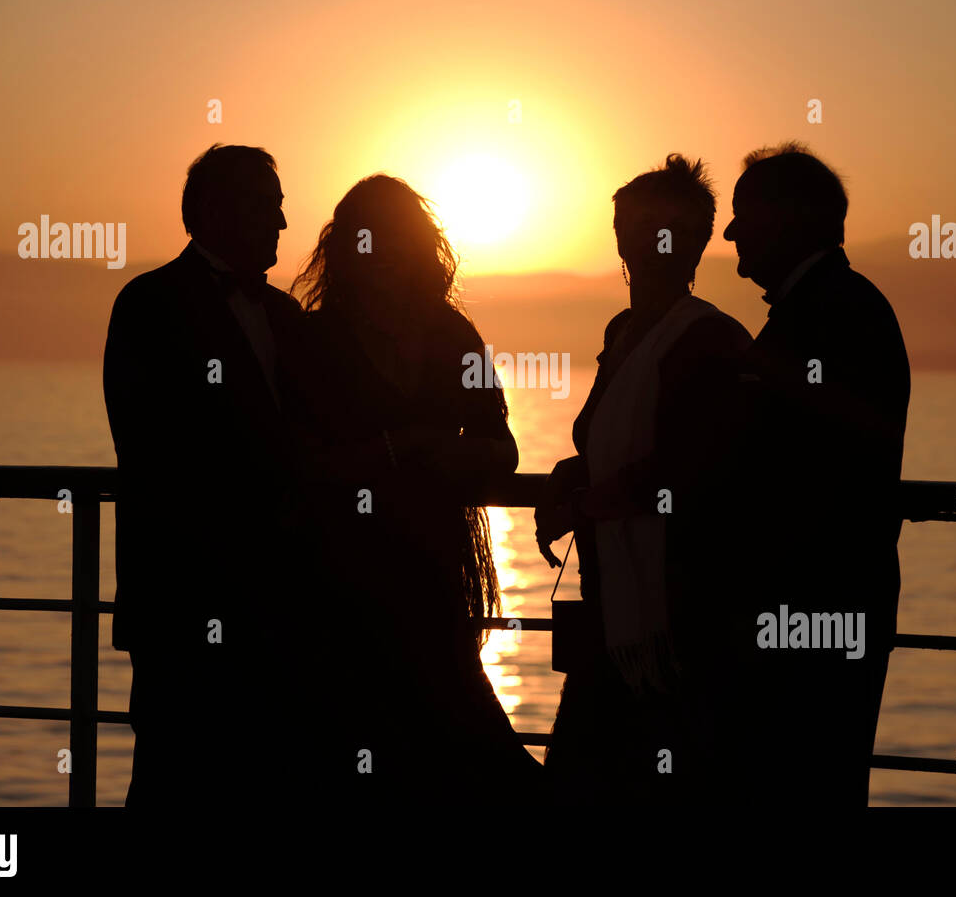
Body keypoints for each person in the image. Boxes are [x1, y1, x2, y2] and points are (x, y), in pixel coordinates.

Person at [287, 172, 542, 793]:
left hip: (433, 572)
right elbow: (296, 464)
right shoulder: (315, 341)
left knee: (459, 736)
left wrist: (451, 457)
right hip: (337, 578)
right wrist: (402, 448)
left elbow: (501, 447)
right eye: (370, 240)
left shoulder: (453, 337)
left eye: (399, 241)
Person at [103, 143, 313, 809]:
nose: (282, 224)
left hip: (279, 605)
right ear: (212, 211)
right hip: (184, 598)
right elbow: (154, 449)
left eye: (281, 209)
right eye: (266, 208)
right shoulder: (149, 304)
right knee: (175, 776)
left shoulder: (287, 318)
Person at [535, 154, 751, 800]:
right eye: (642, 226)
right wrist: (572, 476)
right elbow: (609, 436)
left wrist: (592, 500)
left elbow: (697, 469)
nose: (657, 242)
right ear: (620, 237)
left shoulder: (710, 340)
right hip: (611, 617)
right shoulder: (623, 331)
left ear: (699, 244)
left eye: (676, 229)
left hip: (679, 623)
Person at [721, 141, 910, 806]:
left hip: (814, 613)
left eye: (744, 213)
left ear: (789, 217)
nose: (730, 230)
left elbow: (861, 429)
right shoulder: (832, 307)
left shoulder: (839, 311)